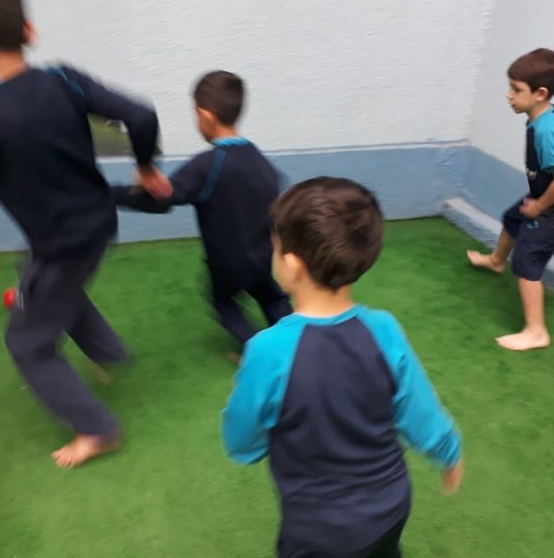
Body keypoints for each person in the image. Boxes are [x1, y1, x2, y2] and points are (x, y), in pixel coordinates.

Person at [0, 0, 170, 468]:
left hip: (61, 245)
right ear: (29, 31)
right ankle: (108, 352)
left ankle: (97, 429)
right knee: (44, 281)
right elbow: (141, 115)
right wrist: (146, 167)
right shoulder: (65, 80)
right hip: (98, 227)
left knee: (26, 342)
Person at [223, 177, 463, 557]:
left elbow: (241, 434)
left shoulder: (268, 350)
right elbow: (420, 410)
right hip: (391, 505)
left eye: (275, 247)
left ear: (291, 265)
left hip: (317, 529)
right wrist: (449, 451)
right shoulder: (384, 329)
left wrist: (250, 449)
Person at [113, 71, 291, 348]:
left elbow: (161, 200)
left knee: (223, 302)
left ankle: (260, 350)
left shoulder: (208, 165)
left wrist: (113, 194)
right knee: (272, 297)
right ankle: (298, 343)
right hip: (262, 256)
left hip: (227, 265)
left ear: (204, 115)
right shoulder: (260, 160)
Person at [467, 48, 554, 351]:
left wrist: (540, 206)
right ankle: (495, 261)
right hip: (541, 195)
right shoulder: (540, 119)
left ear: (540, 93)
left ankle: (536, 332)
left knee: (527, 260)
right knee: (513, 217)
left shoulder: (547, 131)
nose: (509, 95)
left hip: (549, 206)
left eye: (516, 89)